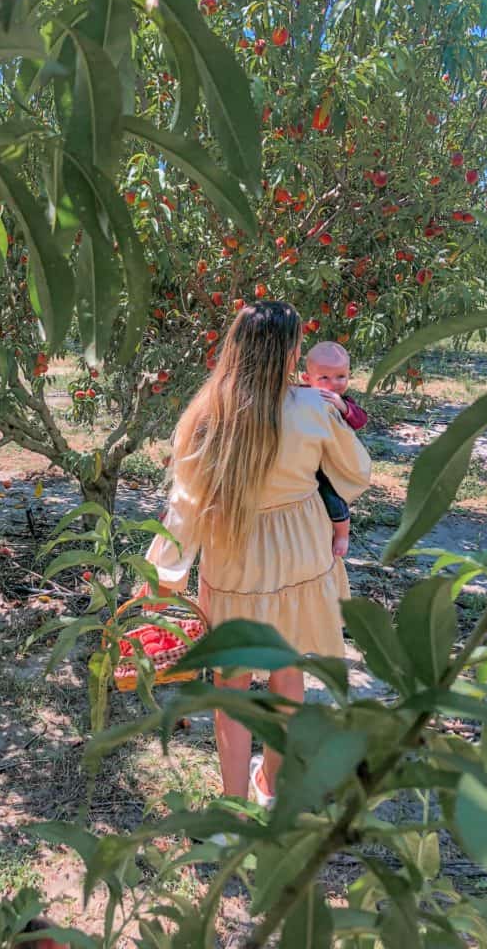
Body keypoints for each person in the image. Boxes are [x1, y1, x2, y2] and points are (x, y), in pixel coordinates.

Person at [141, 302, 371, 815]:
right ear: (292, 355)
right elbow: (355, 474)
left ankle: (233, 807)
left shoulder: (207, 413)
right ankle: (271, 782)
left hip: (233, 554)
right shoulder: (314, 407)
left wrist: (164, 577)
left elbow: (185, 503)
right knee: (288, 673)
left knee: (234, 685)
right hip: (300, 553)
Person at [301, 341, 368, 558]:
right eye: (324, 378)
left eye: (341, 376)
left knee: (331, 495)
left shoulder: (343, 401)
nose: (334, 384)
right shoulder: (304, 394)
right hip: (307, 457)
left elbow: (360, 420)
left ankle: (342, 532)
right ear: (307, 379)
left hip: (331, 462)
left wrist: (343, 407)